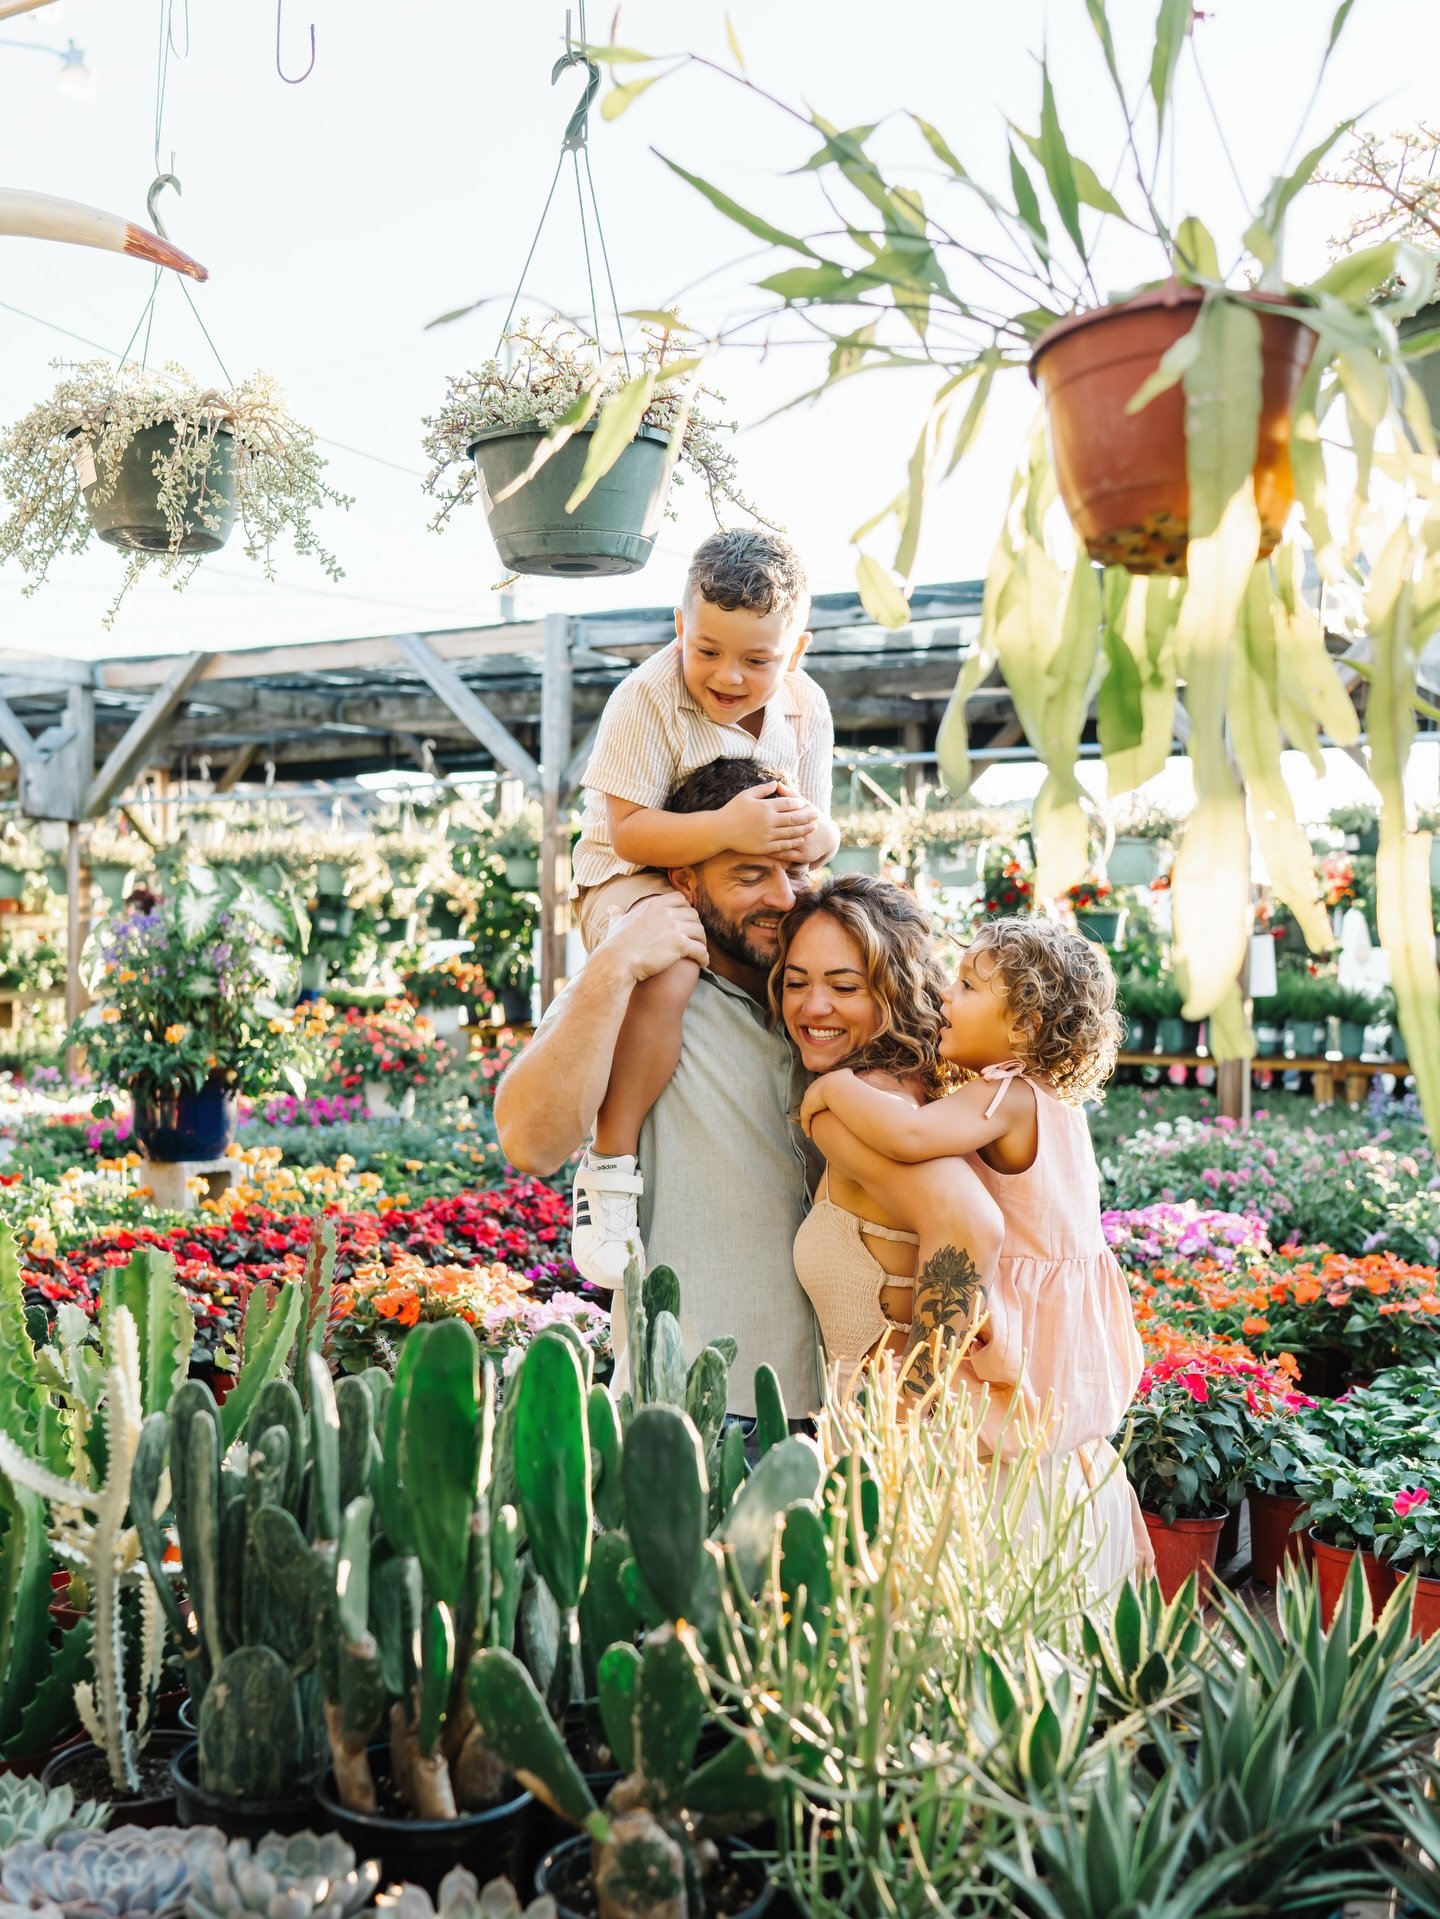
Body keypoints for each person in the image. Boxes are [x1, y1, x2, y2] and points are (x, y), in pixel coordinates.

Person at [798, 911, 1152, 1584]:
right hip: (1063, 1324)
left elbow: (907, 1136)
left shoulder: (1009, 1094)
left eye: (965, 985)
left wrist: (831, 1088)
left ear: (1022, 1024)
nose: (943, 997)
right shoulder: (1054, 1104)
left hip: (1014, 1327)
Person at [495, 755, 824, 1424]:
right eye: (750, 875)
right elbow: (529, 1142)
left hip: (848, 1411)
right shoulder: (648, 987)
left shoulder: (827, 991)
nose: (784, 898)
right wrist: (612, 965)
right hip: (695, 1415)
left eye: (793, 870)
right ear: (685, 881)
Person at [567, 529, 839, 1287]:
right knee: (670, 967)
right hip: (629, 876)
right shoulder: (647, 697)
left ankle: (836, 1147)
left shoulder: (807, 709)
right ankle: (611, 1168)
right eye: (708, 649)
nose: (728, 676)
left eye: (758, 660)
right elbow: (628, 829)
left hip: (744, 876)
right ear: (680, 626)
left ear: (798, 649)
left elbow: (814, 826)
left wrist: (819, 835)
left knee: (837, 947)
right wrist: (730, 829)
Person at [772, 874, 1005, 1387]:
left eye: (844, 986)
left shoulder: (854, 1108)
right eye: (796, 982)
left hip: (899, 1442)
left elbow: (970, 1225)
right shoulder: (930, 1091)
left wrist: (915, 1402)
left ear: (895, 991)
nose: (812, 1007)